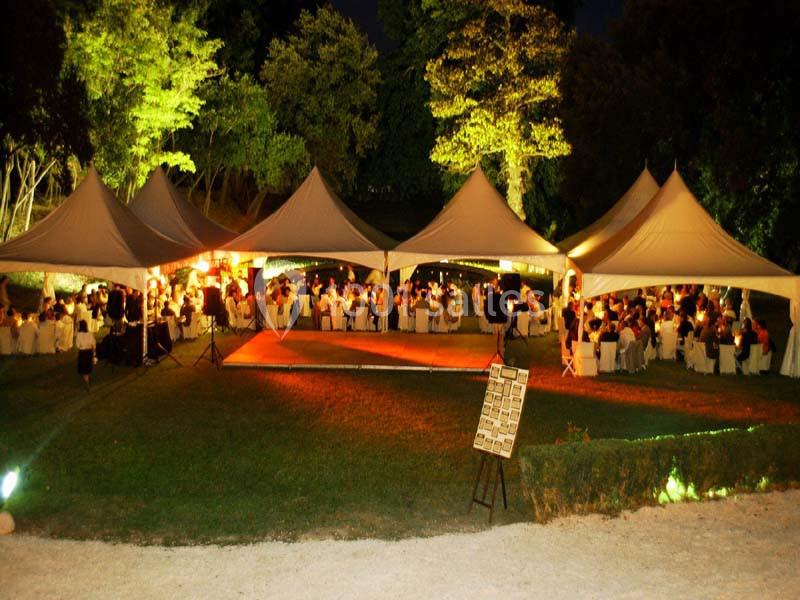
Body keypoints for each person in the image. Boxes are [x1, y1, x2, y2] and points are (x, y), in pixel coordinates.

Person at [75, 320, 96, 387]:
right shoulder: (90, 334)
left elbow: (78, 345)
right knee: (87, 367)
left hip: (83, 353)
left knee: (84, 369)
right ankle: (87, 379)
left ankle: (87, 381)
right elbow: (93, 344)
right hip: (89, 352)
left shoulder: (79, 335)